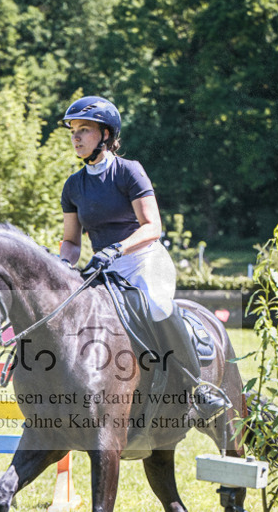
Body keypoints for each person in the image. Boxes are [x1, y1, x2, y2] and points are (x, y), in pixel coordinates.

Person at [59, 95, 226, 424]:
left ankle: (198, 386)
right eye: (73, 131)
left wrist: (117, 249)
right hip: (105, 269)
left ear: (106, 134)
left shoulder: (128, 172)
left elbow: (152, 226)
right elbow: (71, 241)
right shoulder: (73, 186)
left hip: (143, 260)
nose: (76, 137)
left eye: (84, 130)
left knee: (156, 306)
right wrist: (63, 265)